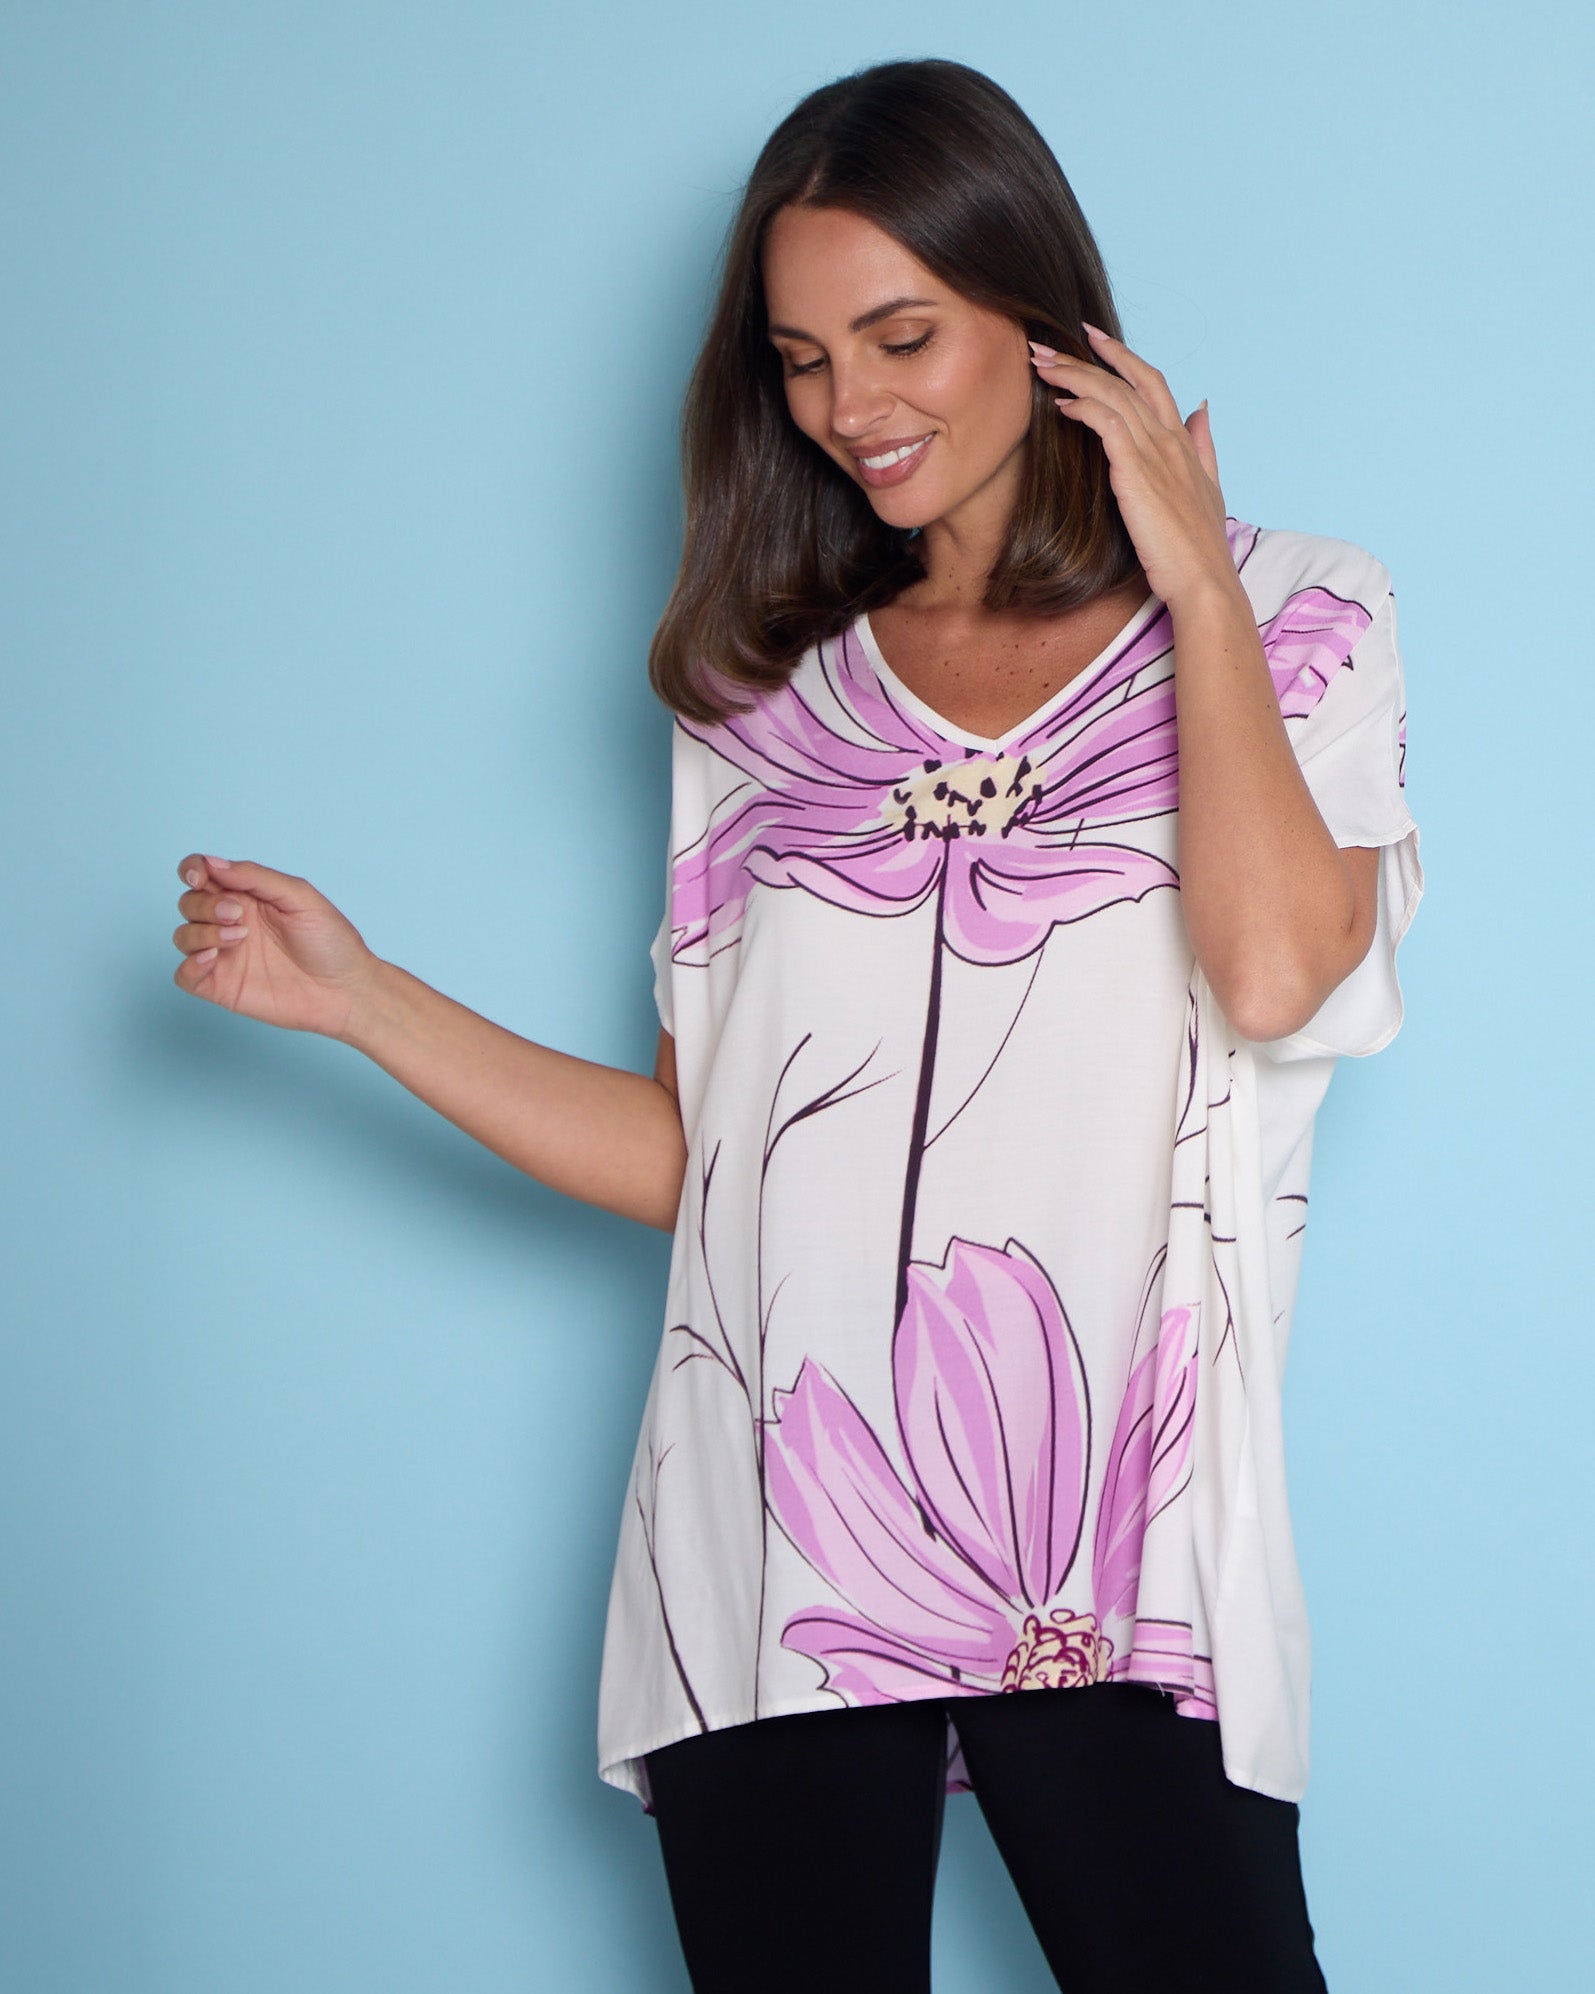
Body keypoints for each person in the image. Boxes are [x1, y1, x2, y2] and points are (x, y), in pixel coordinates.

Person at [171, 56, 1423, 1994]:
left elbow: (1272, 976)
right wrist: (362, 999)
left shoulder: (1298, 614)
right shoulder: (759, 698)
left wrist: (1189, 572)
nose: (852, 406)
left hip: (1115, 1540)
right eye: (805, 357)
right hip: (769, 1536)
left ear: (1043, 316)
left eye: (902, 337)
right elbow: (706, 1159)